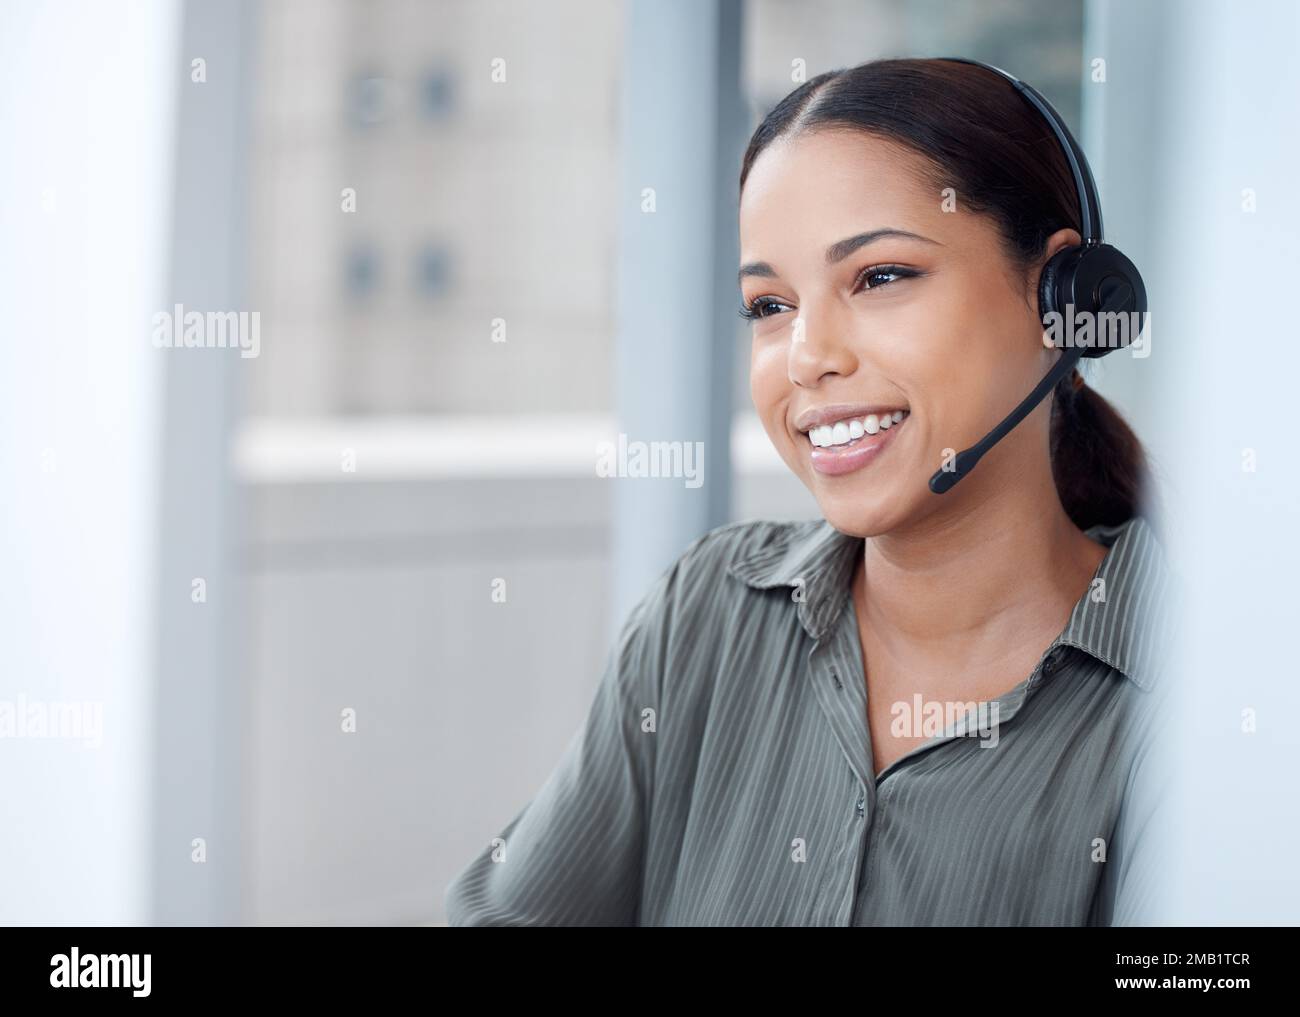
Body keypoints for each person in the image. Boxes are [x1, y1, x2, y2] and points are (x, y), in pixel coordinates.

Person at [444, 57, 1179, 926]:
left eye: (879, 277)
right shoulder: (708, 615)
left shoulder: (1195, 698)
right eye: (769, 306)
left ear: (1063, 299)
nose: (806, 356)